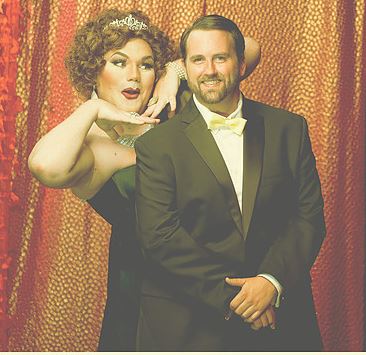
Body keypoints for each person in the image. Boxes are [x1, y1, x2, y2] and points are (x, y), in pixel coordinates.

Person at [28, 9, 261, 351]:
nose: (134, 76)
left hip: (220, 270)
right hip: (149, 287)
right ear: (94, 70)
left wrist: (176, 71)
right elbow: (44, 166)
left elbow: (248, 49)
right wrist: (90, 111)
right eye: (119, 62)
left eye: (146, 64)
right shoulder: (92, 145)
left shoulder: (172, 106)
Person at [135, 14, 326, 351]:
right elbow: (160, 236)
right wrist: (239, 298)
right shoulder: (156, 144)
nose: (209, 70)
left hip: (280, 319)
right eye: (198, 60)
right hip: (188, 325)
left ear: (240, 64)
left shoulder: (289, 129)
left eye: (220, 58)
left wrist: (270, 282)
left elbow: (307, 218)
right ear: (186, 68)